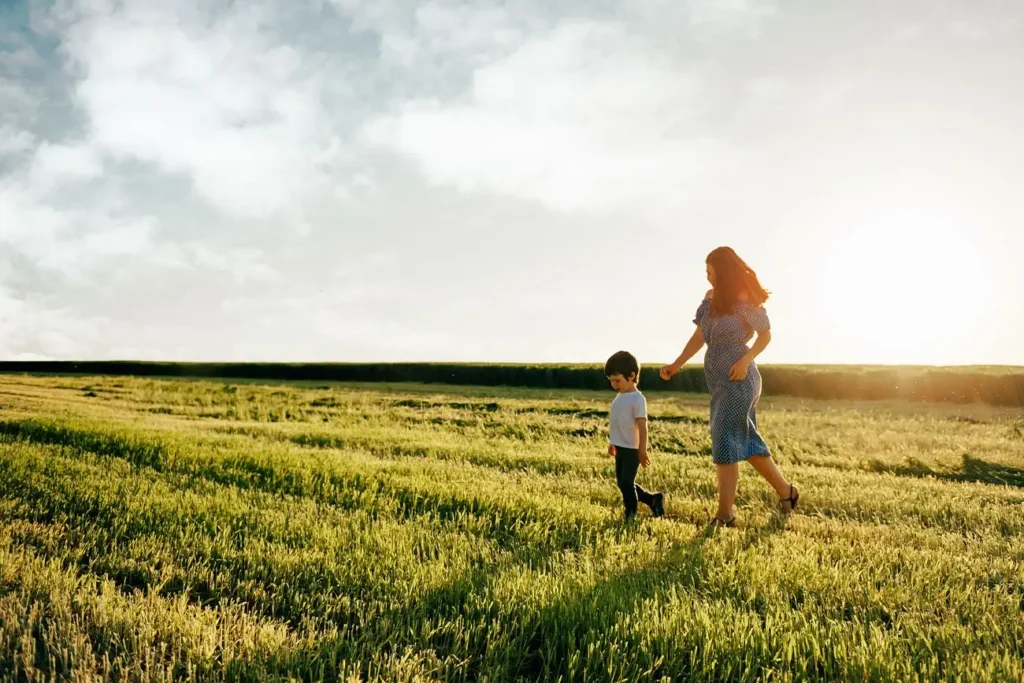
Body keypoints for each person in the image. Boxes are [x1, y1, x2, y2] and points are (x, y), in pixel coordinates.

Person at [659, 247, 799, 528]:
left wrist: (746, 360)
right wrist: (677, 363)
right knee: (744, 440)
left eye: (711, 271)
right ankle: (787, 491)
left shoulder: (743, 299)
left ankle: (725, 515)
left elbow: (765, 335)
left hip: (740, 378)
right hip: (718, 380)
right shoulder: (711, 299)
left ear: (723, 271)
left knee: (724, 440)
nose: (708, 277)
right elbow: (700, 336)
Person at [605, 350, 665, 520]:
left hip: (632, 448)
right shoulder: (619, 397)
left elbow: (642, 427)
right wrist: (612, 443)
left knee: (626, 483)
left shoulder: (637, 399)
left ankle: (630, 515)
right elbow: (616, 423)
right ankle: (653, 499)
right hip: (620, 447)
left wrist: (642, 450)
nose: (614, 385)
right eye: (611, 381)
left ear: (632, 375)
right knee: (623, 484)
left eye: (617, 380)